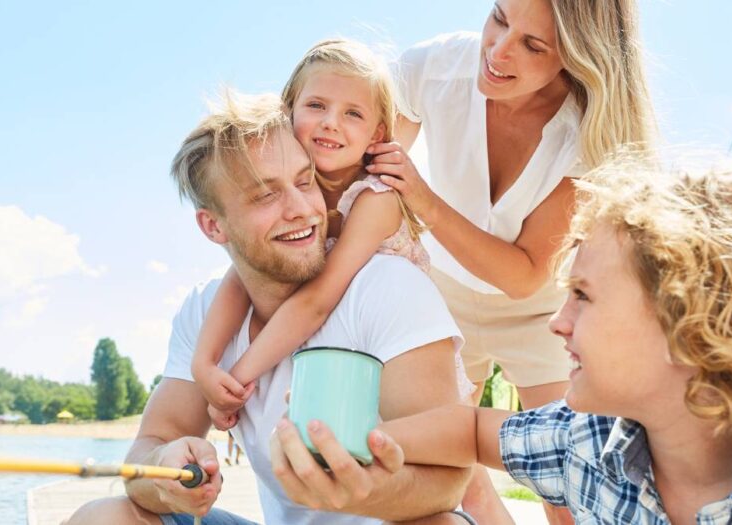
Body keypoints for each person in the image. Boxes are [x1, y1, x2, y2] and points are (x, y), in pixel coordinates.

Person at [66, 93, 474, 525]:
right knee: (103, 517)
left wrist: (364, 493)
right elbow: (149, 448)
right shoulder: (205, 311)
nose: (301, 211)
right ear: (213, 225)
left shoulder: (388, 287)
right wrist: (165, 474)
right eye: (265, 196)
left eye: (304, 181)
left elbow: (448, 480)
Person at [378, 156, 732, 523]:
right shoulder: (588, 440)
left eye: (582, 295)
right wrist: (346, 449)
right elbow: (471, 430)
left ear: (690, 324)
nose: (557, 323)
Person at [365, 1, 654, 521]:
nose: (498, 51)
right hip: (441, 295)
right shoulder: (431, 67)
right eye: (499, 18)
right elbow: (365, 181)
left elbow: (524, 275)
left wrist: (424, 201)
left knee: (565, 484)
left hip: (538, 312)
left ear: (575, 57)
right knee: (449, 474)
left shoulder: (589, 131)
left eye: (533, 45)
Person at [191, 39, 472, 431]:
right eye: (316, 105)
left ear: (376, 135)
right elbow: (241, 275)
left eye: (352, 113)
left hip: (401, 350)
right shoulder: (302, 193)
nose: (330, 122)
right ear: (289, 109)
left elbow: (317, 301)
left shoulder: (376, 198)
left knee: (450, 466)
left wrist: (237, 378)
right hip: (342, 350)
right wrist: (203, 364)